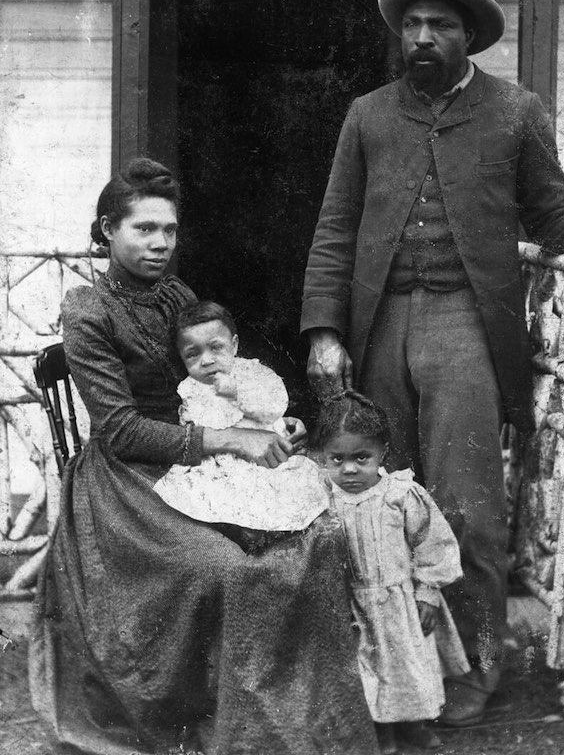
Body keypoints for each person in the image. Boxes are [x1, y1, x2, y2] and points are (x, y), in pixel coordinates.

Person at [300, 0, 564, 726]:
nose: (423, 37)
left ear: (468, 34)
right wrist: (325, 332)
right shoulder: (368, 115)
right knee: (378, 503)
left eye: (440, 25)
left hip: (465, 327)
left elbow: (554, 214)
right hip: (380, 324)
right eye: (413, 24)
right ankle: (393, 670)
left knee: (467, 509)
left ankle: (475, 671)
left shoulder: (515, 112)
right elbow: (334, 230)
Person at [30, 158, 378, 755]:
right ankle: (208, 720)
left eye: (168, 229)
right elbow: (120, 431)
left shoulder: (177, 296)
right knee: (223, 568)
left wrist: (263, 422)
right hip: (128, 478)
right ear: (108, 229)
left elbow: (220, 381)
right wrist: (232, 441)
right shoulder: (88, 310)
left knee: (311, 541)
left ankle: (288, 718)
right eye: (143, 229)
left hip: (202, 459)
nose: (160, 243)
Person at [316, 391, 470, 754]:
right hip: (352, 604)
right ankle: (379, 732)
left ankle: (413, 726)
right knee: (365, 670)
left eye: (361, 458)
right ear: (323, 457)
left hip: (397, 602)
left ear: (382, 453)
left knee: (407, 667)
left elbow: (432, 542)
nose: (349, 469)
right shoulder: (323, 498)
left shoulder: (400, 494)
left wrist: (428, 591)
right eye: (337, 459)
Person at [153, 300, 329, 550]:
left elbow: (275, 404)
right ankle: (242, 531)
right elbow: (191, 429)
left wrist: (237, 391)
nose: (206, 361)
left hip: (262, 456)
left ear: (234, 345)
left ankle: (271, 531)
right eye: (193, 354)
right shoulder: (190, 388)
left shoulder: (250, 374)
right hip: (218, 463)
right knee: (212, 497)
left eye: (216, 348)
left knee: (279, 491)